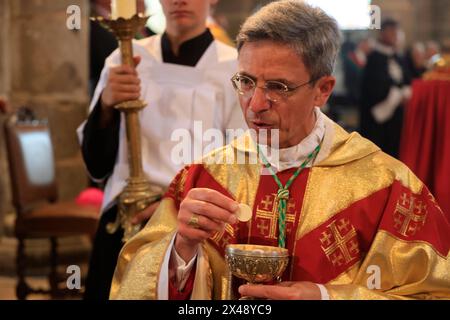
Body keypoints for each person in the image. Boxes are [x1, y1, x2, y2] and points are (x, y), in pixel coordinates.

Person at [110, 1, 449, 300]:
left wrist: (325, 298)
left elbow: (432, 292)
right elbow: (133, 283)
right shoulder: (203, 178)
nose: (255, 105)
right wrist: (181, 251)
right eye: (245, 82)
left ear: (323, 90)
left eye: (278, 87)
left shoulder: (385, 187)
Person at [77, 0, 246, 300]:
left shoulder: (234, 67)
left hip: (194, 221)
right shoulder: (125, 57)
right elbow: (97, 163)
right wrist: (105, 106)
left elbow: (240, 159)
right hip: (126, 217)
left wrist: (171, 205)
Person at [360, 19, 411, 158]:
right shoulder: (374, 58)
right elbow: (374, 87)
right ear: (382, 34)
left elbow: (406, 80)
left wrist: (405, 93)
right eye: (392, 32)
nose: (395, 35)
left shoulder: (398, 57)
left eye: (397, 32)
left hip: (396, 117)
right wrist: (397, 96)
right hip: (378, 118)